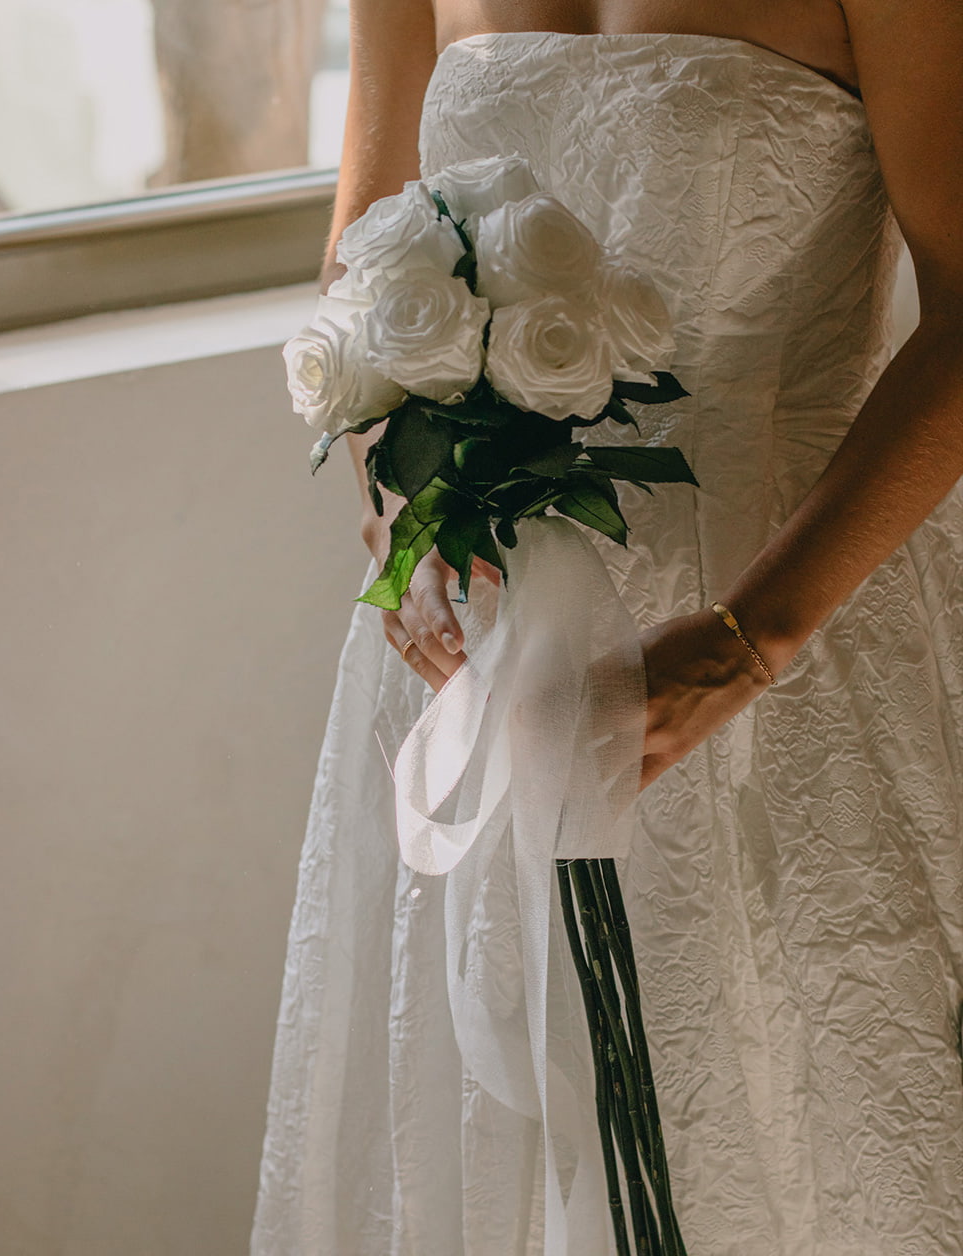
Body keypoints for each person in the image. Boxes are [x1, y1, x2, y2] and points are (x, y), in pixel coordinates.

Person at [252, 2, 963, 1252]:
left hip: (779, 636)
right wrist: (394, 513)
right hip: (479, 643)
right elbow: (363, 261)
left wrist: (754, 638)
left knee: (787, 1125)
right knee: (503, 1128)